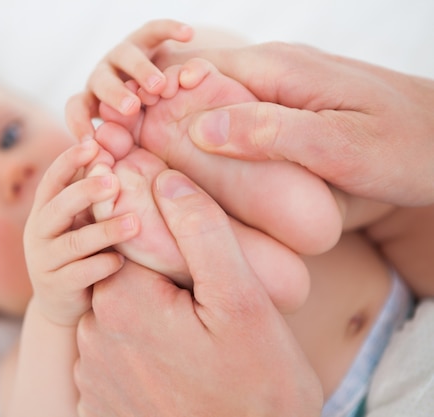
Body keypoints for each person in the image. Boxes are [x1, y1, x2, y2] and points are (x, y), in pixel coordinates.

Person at [66, 20, 434, 417]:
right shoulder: (65, 345)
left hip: (405, 295)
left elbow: (249, 64)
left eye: (10, 134)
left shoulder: (130, 168)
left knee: (386, 206)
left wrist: (152, 73)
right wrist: (51, 314)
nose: (10, 176)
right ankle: (212, 253)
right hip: (331, 402)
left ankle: (242, 179)